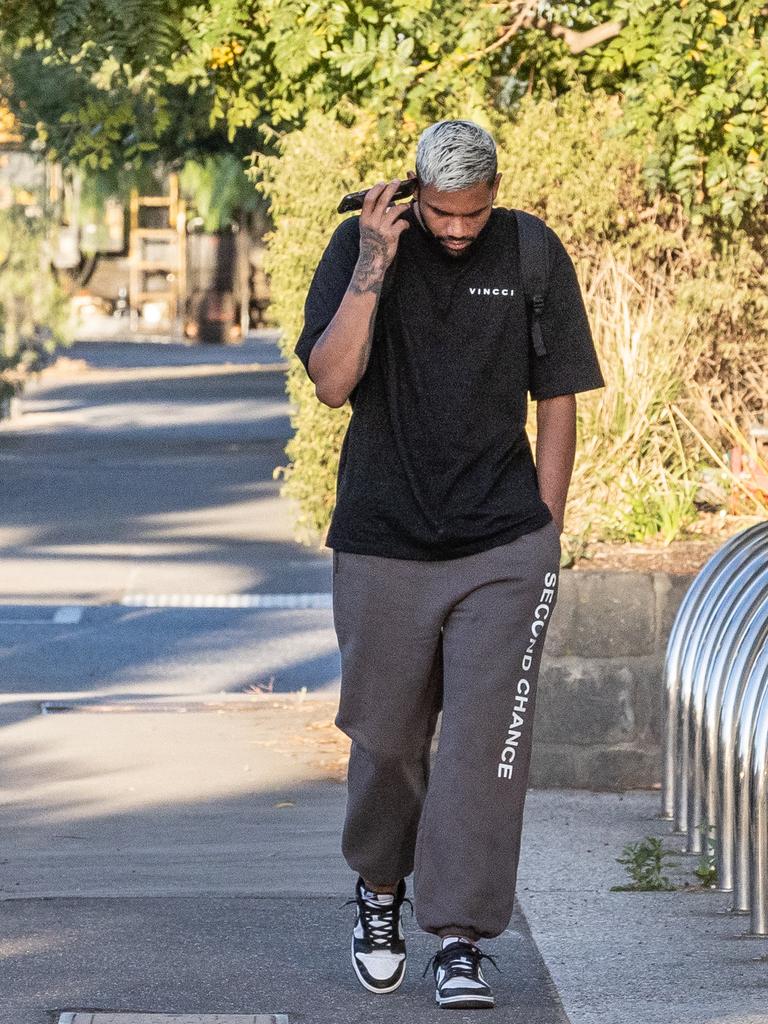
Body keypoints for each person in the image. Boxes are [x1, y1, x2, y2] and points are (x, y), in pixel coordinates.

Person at [295, 119, 604, 1010]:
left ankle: (462, 936)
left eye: (475, 214)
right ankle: (379, 893)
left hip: (502, 544)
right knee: (387, 742)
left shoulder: (532, 250)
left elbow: (558, 399)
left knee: (485, 751)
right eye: (443, 214)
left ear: (495, 194)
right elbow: (331, 382)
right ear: (416, 193)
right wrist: (373, 265)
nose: (460, 231)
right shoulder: (364, 241)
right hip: (384, 536)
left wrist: (546, 529)